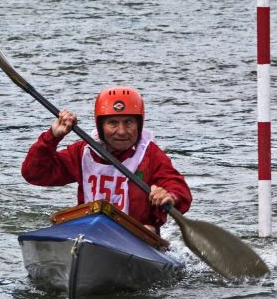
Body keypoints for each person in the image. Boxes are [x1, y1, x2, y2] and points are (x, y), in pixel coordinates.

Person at [21, 86, 191, 233]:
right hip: (91, 232)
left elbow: (178, 188)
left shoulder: (150, 155)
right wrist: (51, 138)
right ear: (100, 126)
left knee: (148, 229)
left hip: (139, 236)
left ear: (139, 124)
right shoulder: (83, 152)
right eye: (113, 123)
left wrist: (169, 196)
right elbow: (35, 174)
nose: (122, 131)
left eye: (129, 122)